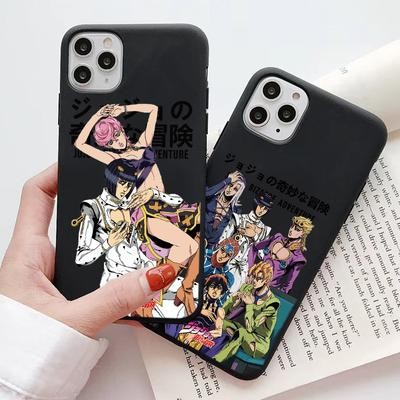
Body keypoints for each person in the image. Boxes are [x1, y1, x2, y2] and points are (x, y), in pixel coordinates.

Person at [0, 164, 176, 400]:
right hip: (117, 282)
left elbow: (175, 201)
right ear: (112, 181)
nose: (127, 188)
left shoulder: (133, 201)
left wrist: (153, 194)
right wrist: (108, 242)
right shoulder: (93, 208)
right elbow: (82, 257)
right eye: (123, 182)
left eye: (130, 183)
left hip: (146, 280)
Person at [74, 103, 200, 315]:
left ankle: (169, 290)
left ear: (121, 129)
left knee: (197, 236)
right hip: (143, 212)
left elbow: (153, 109)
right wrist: (97, 115)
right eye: (110, 142)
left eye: (117, 135)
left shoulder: (143, 143)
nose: (117, 142)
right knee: (188, 245)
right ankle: (155, 294)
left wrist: (123, 109)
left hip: (164, 204)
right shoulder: (114, 159)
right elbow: (80, 143)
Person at [213, 261, 280, 363]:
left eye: (259, 278)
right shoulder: (248, 288)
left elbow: (250, 328)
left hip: (258, 344)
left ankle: (217, 360)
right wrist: (233, 301)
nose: (254, 281)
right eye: (253, 277)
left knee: (241, 333)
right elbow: (224, 310)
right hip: (242, 332)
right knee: (220, 321)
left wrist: (249, 305)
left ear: (266, 280)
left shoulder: (273, 303)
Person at [218, 193, 273, 292]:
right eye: (261, 206)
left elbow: (262, 254)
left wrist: (254, 236)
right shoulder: (239, 218)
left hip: (244, 267)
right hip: (228, 258)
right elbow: (223, 239)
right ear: (256, 203)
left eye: (265, 209)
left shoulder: (265, 230)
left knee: (232, 292)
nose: (262, 210)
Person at [248, 216, 314, 294]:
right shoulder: (277, 237)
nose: (291, 230)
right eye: (292, 226)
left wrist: (274, 295)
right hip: (252, 281)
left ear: (302, 234)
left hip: (269, 290)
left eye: (297, 229)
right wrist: (250, 269)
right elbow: (254, 247)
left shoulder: (298, 258)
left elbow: (289, 285)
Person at [205, 170, 246, 250]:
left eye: (235, 189)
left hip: (212, 248)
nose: (230, 189)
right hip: (198, 235)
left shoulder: (235, 211)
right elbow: (205, 193)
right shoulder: (211, 197)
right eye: (230, 185)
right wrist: (228, 180)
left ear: (238, 193)